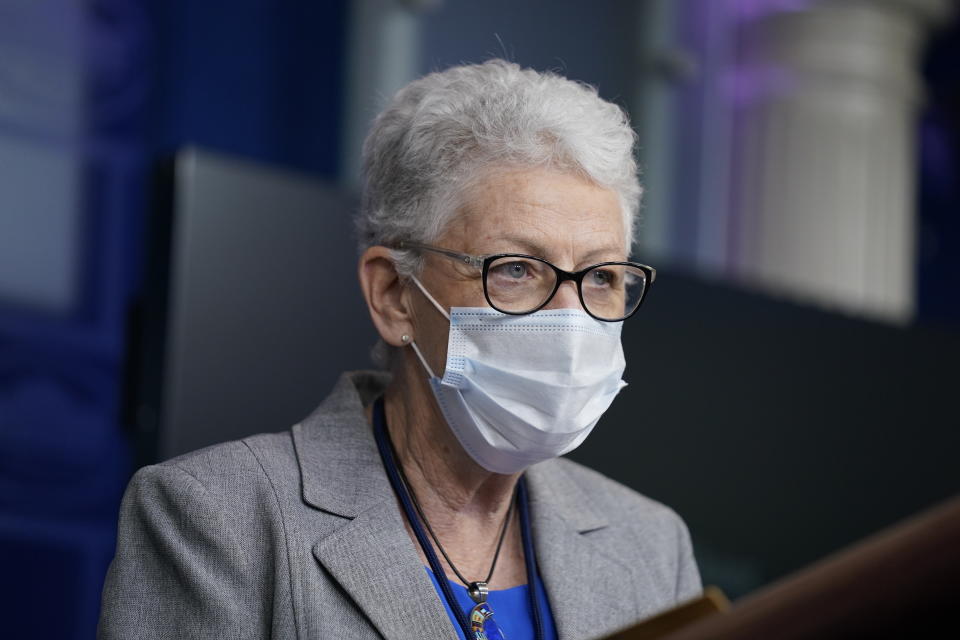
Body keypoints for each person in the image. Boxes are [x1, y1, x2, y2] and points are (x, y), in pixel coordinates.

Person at [98, 59, 701, 640]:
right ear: (394, 295)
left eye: (601, 277)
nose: (571, 319)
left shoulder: (649, 543)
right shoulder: (217, 518)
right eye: (517, 269)